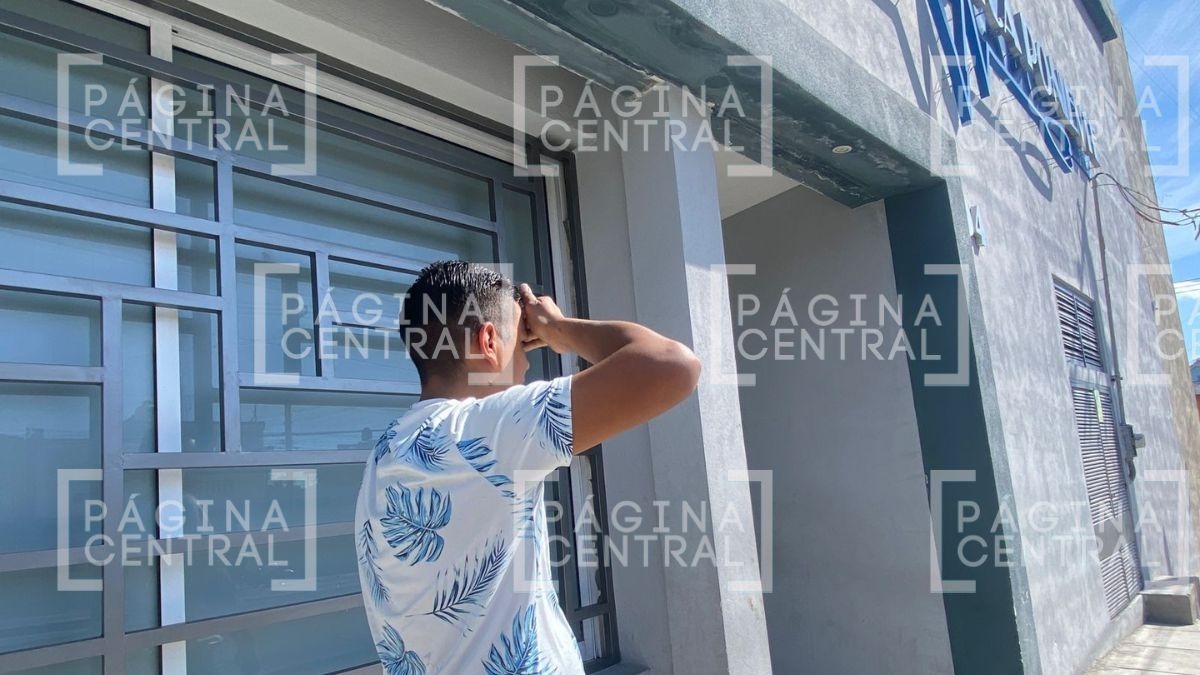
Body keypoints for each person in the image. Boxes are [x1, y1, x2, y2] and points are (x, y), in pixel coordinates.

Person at [355, 260, 701, 674]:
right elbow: (673, 366)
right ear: (488, 342)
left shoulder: (386, 452)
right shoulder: (484, 430)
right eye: (522, 343)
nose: (527, 364)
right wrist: (559, 329)